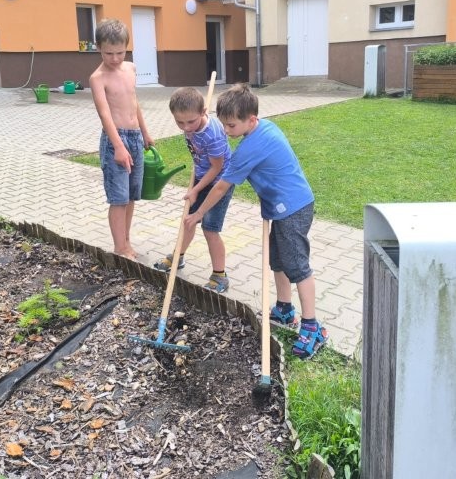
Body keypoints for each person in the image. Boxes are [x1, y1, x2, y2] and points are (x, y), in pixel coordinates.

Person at [183, 83, 328, 359]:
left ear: (251, 120)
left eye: (231, 125)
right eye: (223, 124)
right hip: (284, 207)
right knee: (278, 260)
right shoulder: (264, 127)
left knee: (297, 266)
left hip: (293, 208)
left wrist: (199, 214)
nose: (227, 131)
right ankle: (284, 309)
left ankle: (312, 326)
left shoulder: (250, 148)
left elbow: (221, 187)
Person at [153, 87, 235, 293]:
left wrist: (196, 189)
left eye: (191, 122)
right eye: (180, 122)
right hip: (202, 176)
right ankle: (178, 257)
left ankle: (220, 275)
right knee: (188, 221)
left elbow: (216, 167)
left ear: (203, 112)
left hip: (219, 183)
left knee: (210, 229)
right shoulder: (191, 125)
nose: (186, 127)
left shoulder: (213, 135)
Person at [90, 19, 153, 259]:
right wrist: (118, 146)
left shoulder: (131, 69)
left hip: (135, 137)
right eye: (109, 53)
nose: (115, 58)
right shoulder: (98, 78)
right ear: (99, 47)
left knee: (131, 195)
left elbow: (134, 103)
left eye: (120, 52)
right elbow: (104, 114)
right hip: (115, 140)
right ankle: (120, 249)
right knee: (119, 198)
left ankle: (126, 241)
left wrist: (144, 132)